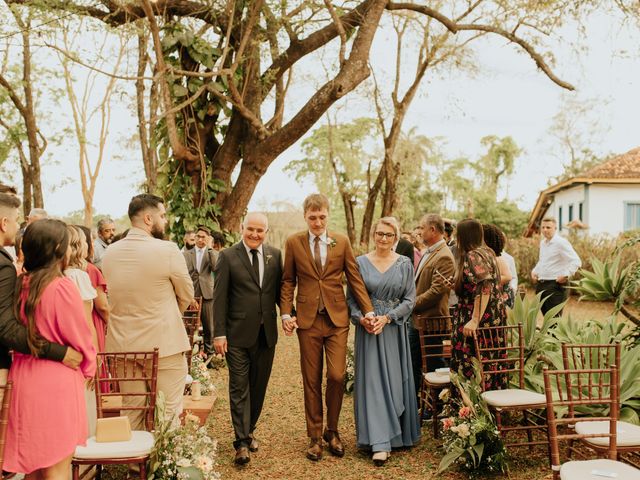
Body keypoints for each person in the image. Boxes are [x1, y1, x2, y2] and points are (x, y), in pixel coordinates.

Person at [280, 193, 374, 461]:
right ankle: (314, 436)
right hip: (307, 320)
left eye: (322, 216)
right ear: (305, 217)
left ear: (327, 215)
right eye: (312, 217)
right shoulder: (294, 242)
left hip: (336, 319)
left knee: (336, 375)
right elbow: (287, 281)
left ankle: (332, 431)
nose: (318, 222)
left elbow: (354, 278)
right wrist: (286, 313)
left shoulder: (341, 241)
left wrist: (368, 310)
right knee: (311, 378)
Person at [4, 219, 96, 478]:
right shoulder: (62, 286)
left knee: (32, 469)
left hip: (22, 378)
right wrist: (89, 364)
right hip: (56, 381)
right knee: (57, 467)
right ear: (58, 248)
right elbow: (79, 338)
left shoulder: (19, 286)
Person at [102, 194, 194, 427]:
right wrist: (169, 312)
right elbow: (186, 294)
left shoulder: (109, 253)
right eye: (162, 216)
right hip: (164, 345)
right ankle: (163, 462)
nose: (165, 221)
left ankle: (137, 463)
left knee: (133, 407)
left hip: (124, 346)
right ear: (148, 218)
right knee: (168, 409)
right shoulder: (168, 250)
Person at [348, 217, 419, 466]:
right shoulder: (359, 263)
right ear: (373, 234)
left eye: (388, 235)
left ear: (396, 238)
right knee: (373, 383)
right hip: (368, 331)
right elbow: (352, 300)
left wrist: (388, 318)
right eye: (379, 233)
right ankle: (379, 442)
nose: (383, 239)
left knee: (395, 381)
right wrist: (362, 319)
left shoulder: (405, 264)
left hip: (393, 329)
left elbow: (410, 300)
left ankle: (397, 434)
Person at [213, 213, 282, 465]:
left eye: (260, 230)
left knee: (258, 387)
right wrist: (219, 333)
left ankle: (249, 428)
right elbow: (219, 298)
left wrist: (288, 314)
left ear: (266, 231)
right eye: (250, 229)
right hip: (237, 334)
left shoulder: (275, 255)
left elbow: (278, 293)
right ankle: (241, 442)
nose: (255, 234)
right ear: (242, 228)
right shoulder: (228, 256)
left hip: (267, 334)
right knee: (239, 387)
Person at [0, 191, 82, 397]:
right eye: (17, 220)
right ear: (4, 223)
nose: (19, 227)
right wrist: (60, 352)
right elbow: (6, 328)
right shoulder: (4, 267)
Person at [450, 218, 507, 389]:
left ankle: (471, 412)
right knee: (488, 364)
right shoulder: (487, 252)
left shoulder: (473, 255)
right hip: (492, 318)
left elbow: (485, 285)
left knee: (472, 365)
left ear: (463, 236)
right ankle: (488, 410)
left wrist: (475, 319)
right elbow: (476, 284)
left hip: (475, 319)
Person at [410, 214, 455, 397]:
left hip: (431, 322)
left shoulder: (444, 256)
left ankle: (437, 405)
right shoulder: (429, 252)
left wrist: (411, 304)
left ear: (433, 230)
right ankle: (420, 403)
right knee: (417, 364)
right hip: (419, 320)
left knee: (434, 365)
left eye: (422, 228)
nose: (419, 232)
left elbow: (437, 291)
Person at [531, 217, 581, 316]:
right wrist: (534, 271)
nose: (545, 230)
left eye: (548, 227)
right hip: (541, 285)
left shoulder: (561, 242)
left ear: (555, 228)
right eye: (543, 227)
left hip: (555, 285)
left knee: (554, 321)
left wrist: (566, 275)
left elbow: (576, 261)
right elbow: (543, 261)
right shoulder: (543, 243)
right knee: (547, 319)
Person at [184, 226, 218, 357]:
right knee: (189, 325)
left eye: (203, 237)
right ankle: (188, 354)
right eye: (198, 236)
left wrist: (209, 248)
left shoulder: (212, 253)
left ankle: (210, 354)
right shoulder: (187, 254)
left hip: (207, 294)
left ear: (208, 239)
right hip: (191, 294)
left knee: (209, 326)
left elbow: (216, 267)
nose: (200, 239)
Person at [482, 224, 514, 307]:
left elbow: (508, 277)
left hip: (501, 298)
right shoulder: (486, 256)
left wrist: (488, 282)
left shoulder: (497, 258)